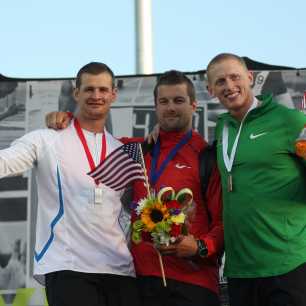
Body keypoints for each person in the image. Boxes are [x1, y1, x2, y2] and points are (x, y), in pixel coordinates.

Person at [45, 70, 224, 306]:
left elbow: (224, 222)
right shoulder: (137, 150)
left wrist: (200, 247)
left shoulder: (207, 157)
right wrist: (66, 118)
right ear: (155, 106)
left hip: (194, 283)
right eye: (164, 101)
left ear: (193, 105)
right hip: (142, 284)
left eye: (178, 101)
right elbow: (92, 139)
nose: (170, 108)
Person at [0, 62, 140, 306]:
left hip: (120, 271)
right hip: (68, 267)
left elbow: (133, 205)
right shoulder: (46, 139)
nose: (96, 96)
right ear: (76, 93)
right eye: (89, 89)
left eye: (103, 90)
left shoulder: (123, 151)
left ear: (113, 94)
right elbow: (6, 161)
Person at [206, 53, 306, 306]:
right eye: (220, 82)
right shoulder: (223, 127)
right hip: (240, 269)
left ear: (249, 78)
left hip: (288, 263)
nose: (229, 86)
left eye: (234, 77)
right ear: (210, 90)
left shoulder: (290, 120)